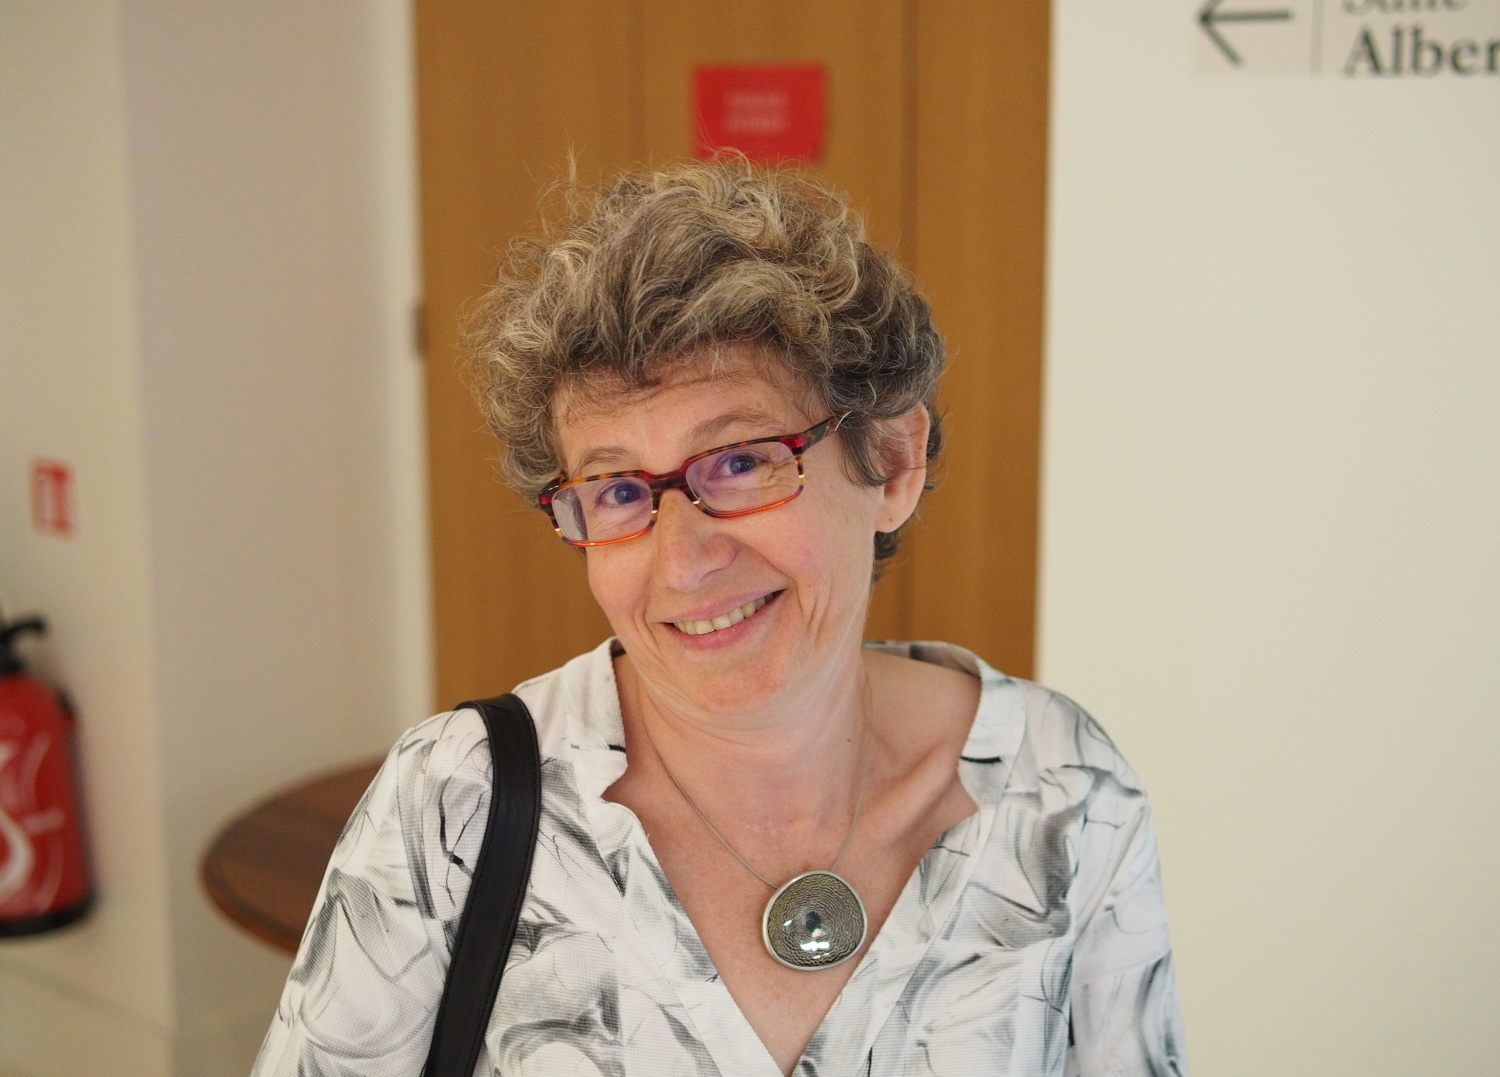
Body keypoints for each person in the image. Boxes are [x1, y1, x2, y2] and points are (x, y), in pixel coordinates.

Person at [251, 159, 1187, 1076]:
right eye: (619, 489)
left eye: (740, 461)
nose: (684, 560)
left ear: (892, 463)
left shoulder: (1064, 790)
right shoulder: (456, 801)